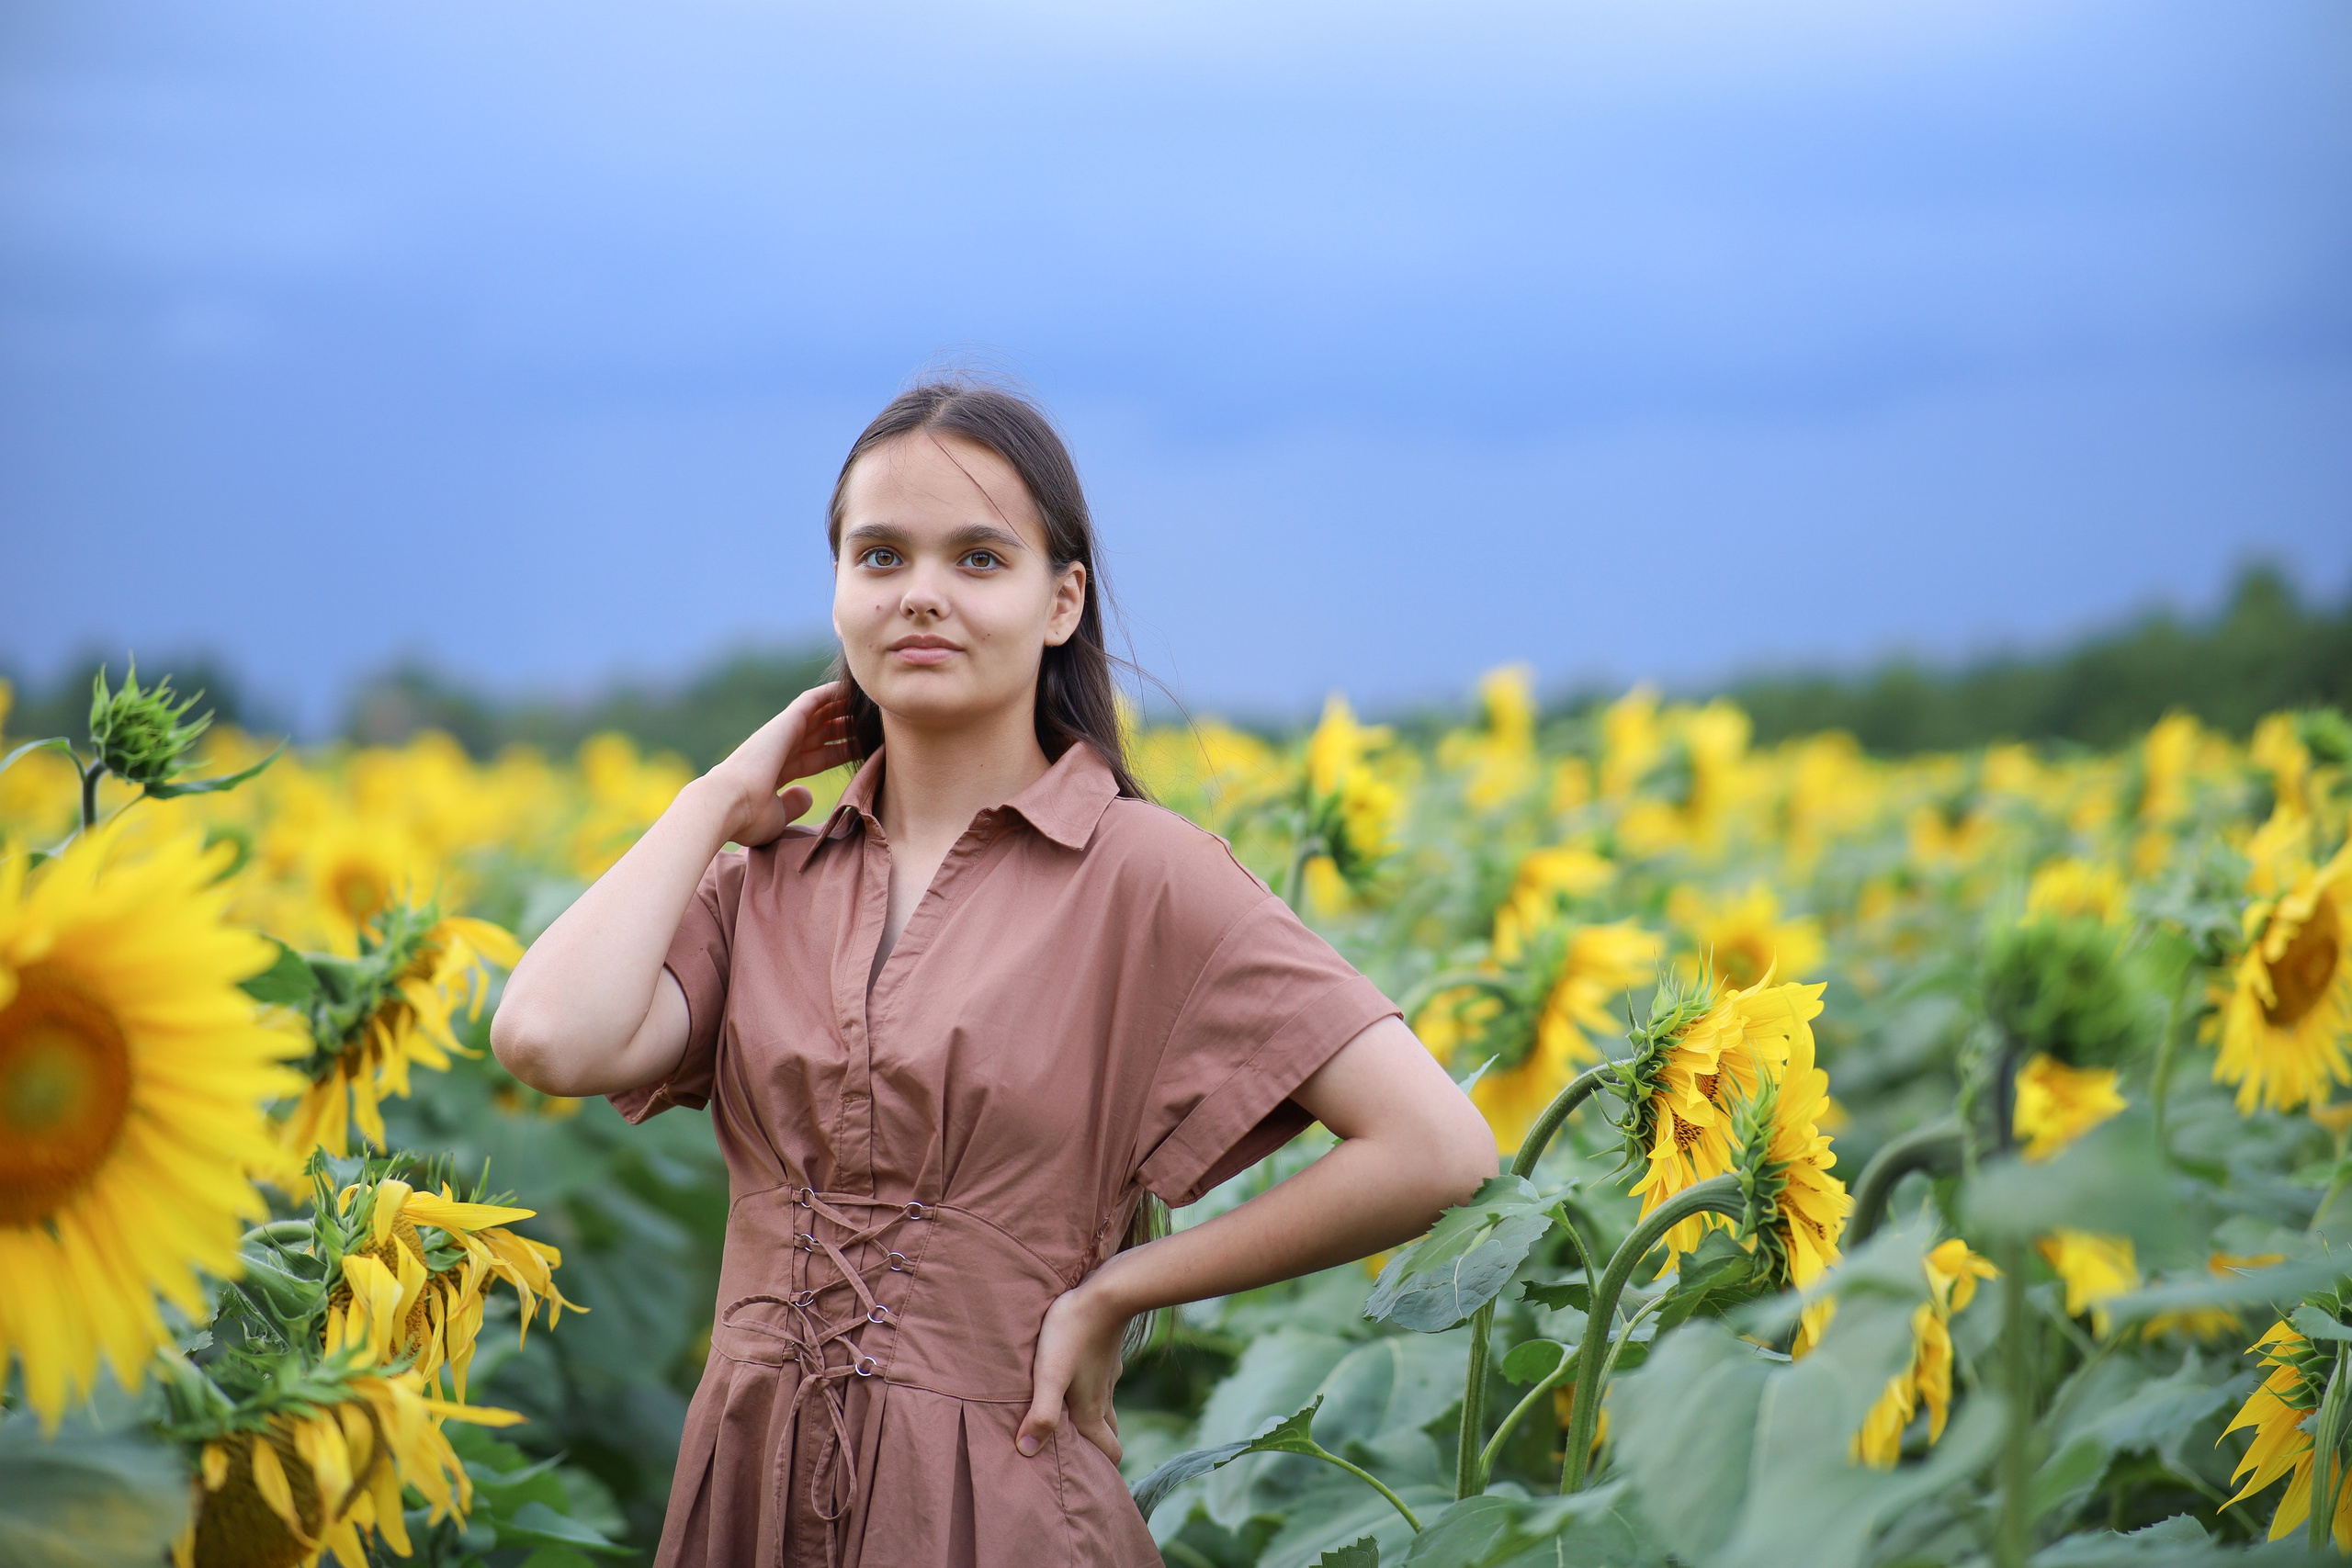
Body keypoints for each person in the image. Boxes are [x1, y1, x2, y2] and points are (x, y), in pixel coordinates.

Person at [492, 380, 1497, 1568]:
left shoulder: (1144, 874)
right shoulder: (764, 885)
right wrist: (711, 800)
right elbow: (547, 1037)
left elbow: (1437, 1148)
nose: (920, 593)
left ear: (1061, 600)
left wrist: (1122, 1289)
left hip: (993, 1503)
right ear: (839, 591)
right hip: (748, 1491)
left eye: (977, 558)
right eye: (880, 557)